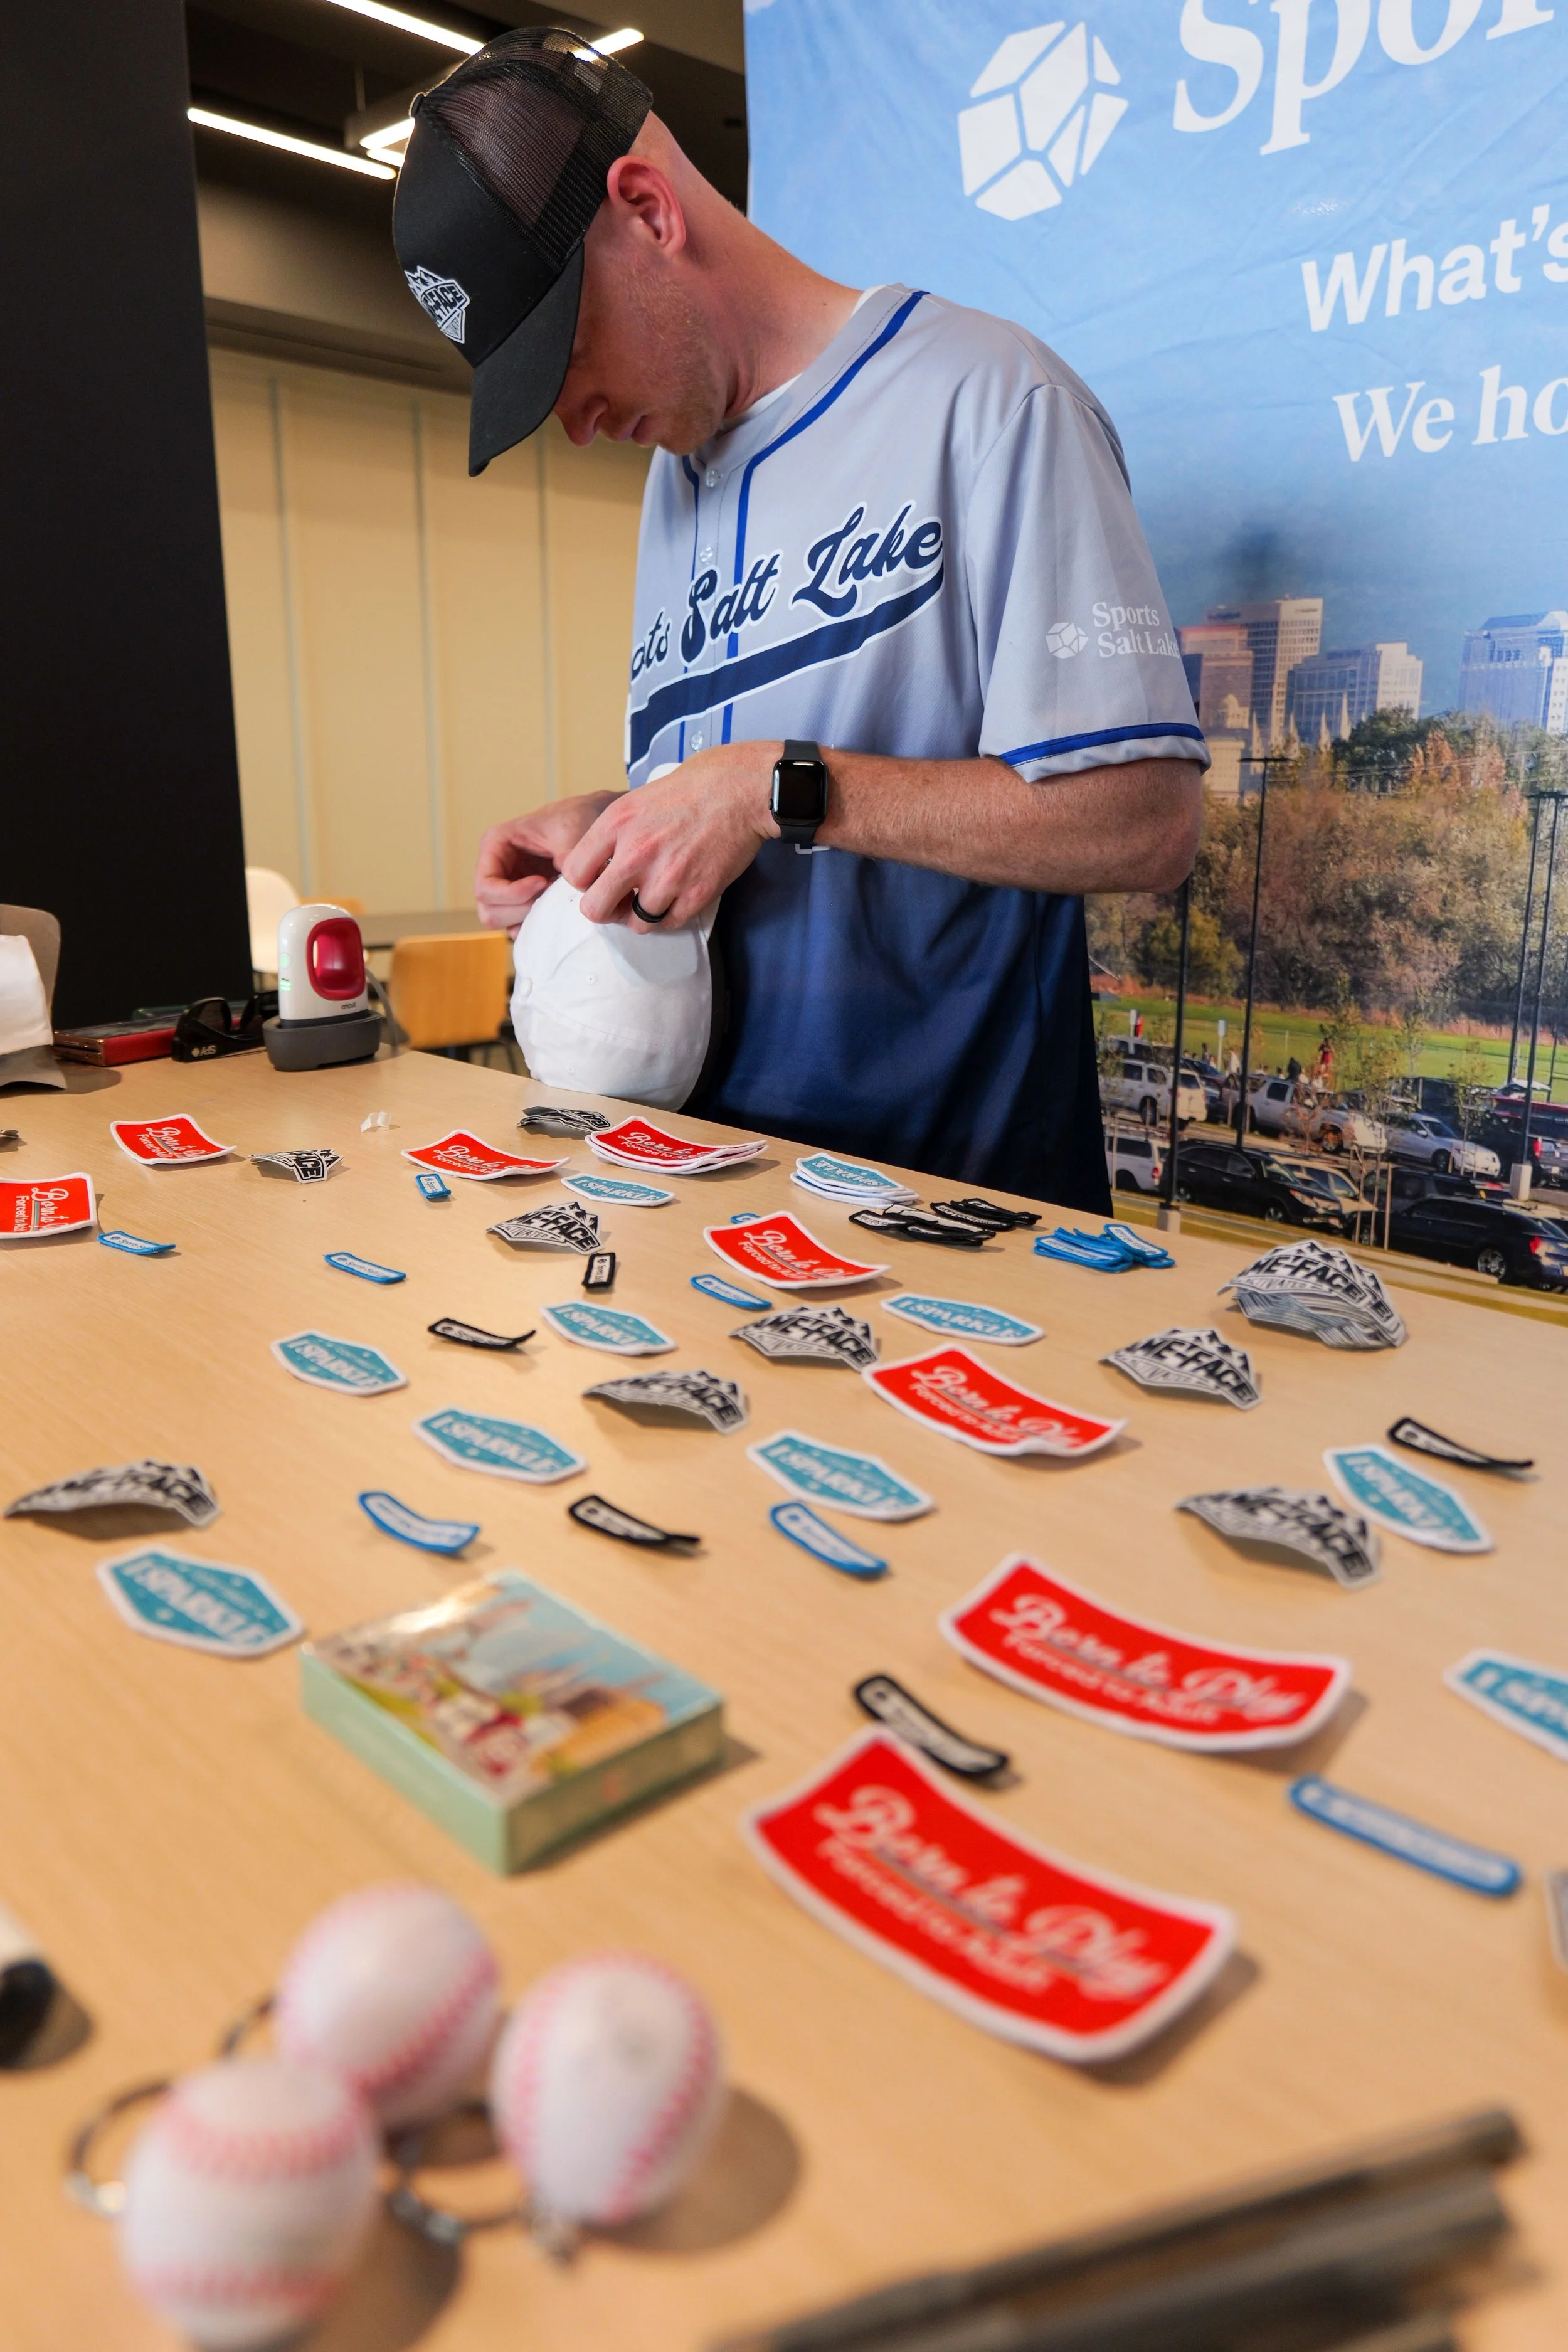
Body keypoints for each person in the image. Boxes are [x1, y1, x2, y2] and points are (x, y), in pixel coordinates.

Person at [391, 29, 1207, 1209]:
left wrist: (774, 785)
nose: (571, 423)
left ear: (647, 210)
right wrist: (619, 828)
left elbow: (1144, 821)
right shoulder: (672, 484)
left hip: (960, 1224)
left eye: (564, 355)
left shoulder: (989, 402)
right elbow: (739, 824)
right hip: (711, 1213)